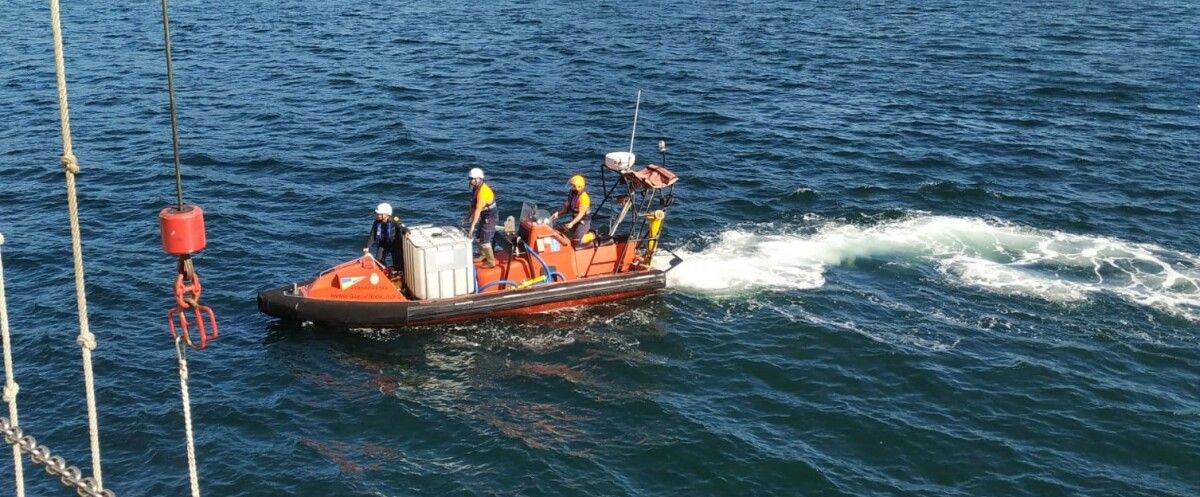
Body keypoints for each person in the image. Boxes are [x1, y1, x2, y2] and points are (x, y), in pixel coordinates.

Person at [466, 167, 498, 268]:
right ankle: (483, 254)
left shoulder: (482, 192)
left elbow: (478, 211)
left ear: (478, 179)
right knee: (479, 237)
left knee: (485, 240)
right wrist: (467, 217)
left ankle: (491, 262)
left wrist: (472, 227)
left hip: (490, 216)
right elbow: (473, 206)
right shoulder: (476, 189)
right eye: (470, 179)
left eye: (472, 179)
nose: (470, 181)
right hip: (485, 215)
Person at [551, 174, 592, 246]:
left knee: (577, 241)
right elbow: (567, 206)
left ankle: (592, 235)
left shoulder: (584, 198)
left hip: (583, 221)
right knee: (563, 232)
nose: (571, 187)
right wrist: (558, 213)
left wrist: (571, 223)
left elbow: (580, 215)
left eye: (573, 186)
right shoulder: (572, 193)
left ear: (578, 187)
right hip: (575, 218)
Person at [364, 202, 404, 272]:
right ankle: (385, 272)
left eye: (379, 214)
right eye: (377, 214)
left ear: (385, 214)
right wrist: (367, 246)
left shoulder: (394, 219)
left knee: (398, 263)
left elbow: (402, 227)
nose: (377, 215)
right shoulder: (376, 222)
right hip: (383, 244)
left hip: (395, 244)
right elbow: (372, 235)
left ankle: (399, 273)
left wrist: (406, 231)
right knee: (378, 260)